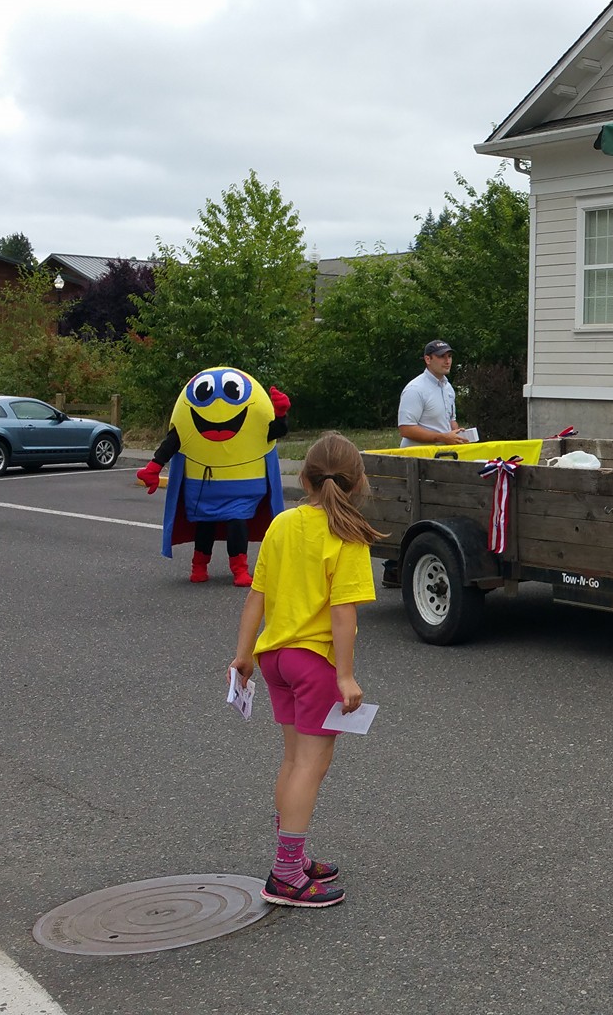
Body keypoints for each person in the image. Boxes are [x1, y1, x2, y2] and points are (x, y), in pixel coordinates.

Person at [230, 432, 382, 909]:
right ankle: (286, 874)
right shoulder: (347, 534)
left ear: (305, 478)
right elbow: (342, 613)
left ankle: (291, 858)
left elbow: (257, 595)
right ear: (359, 481)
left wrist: (243, 655)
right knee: (311, 766)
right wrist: (345, 676)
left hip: (275, 657)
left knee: (294, 760)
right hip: (313, 663)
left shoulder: (282, 523)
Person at [138, 366, 289, 587]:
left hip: (239, 488)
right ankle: (199, 566)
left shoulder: (253, 415)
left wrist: (281, 415)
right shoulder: (189, 416)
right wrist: (154, 466)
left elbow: (273, 432)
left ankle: (239, 569)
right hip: (204, 487)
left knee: (238, 523)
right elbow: (175, 439)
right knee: (205, 525)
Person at [397, 340, 468, 446]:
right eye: (441, 356)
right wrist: (442, 437)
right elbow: (406, 429)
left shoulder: (448, 388)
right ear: (428, 359)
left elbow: (451, 420)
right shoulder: (414, 389)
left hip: (443, 453)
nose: (447, 361)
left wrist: (457, 433)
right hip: (417, 454)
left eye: (449, 356)